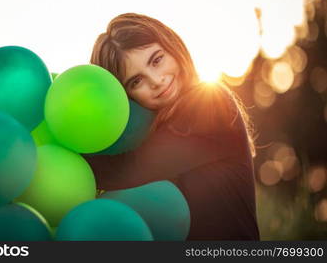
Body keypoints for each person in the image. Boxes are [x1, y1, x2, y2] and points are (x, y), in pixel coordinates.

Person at [84, 13, 260, 240]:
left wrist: (63, 151)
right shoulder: (147, 132)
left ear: (172, 47)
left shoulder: (210, 102)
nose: (156, 80)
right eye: (136, 81)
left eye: (157, 60)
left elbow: (128, 169)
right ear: (125, 97)